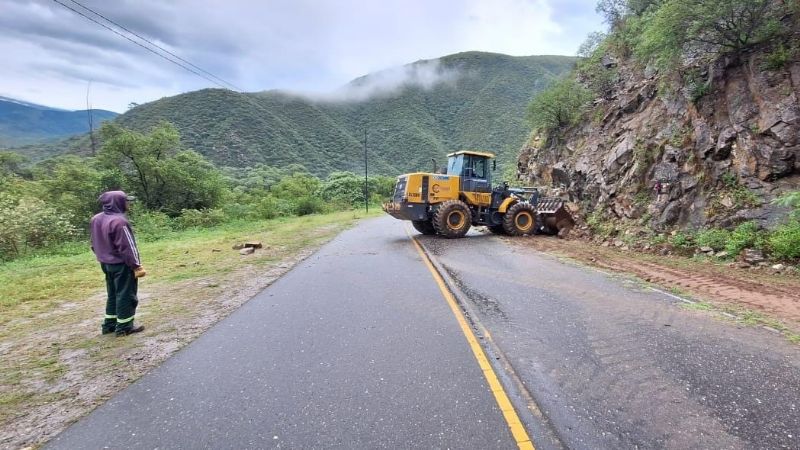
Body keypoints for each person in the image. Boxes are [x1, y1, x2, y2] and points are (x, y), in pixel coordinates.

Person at [90, 191, 147, 336]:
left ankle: (109, 325)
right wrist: (136, 265)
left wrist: (102, 256)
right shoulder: (119, 222)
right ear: (118, 202)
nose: (128, 204)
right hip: (122, 264)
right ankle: (124, 327)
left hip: (105, 263)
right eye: (126, 201)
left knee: (113, 293)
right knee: (126, 294)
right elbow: (127, 246)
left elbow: (93, 243)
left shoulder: (96, 219)